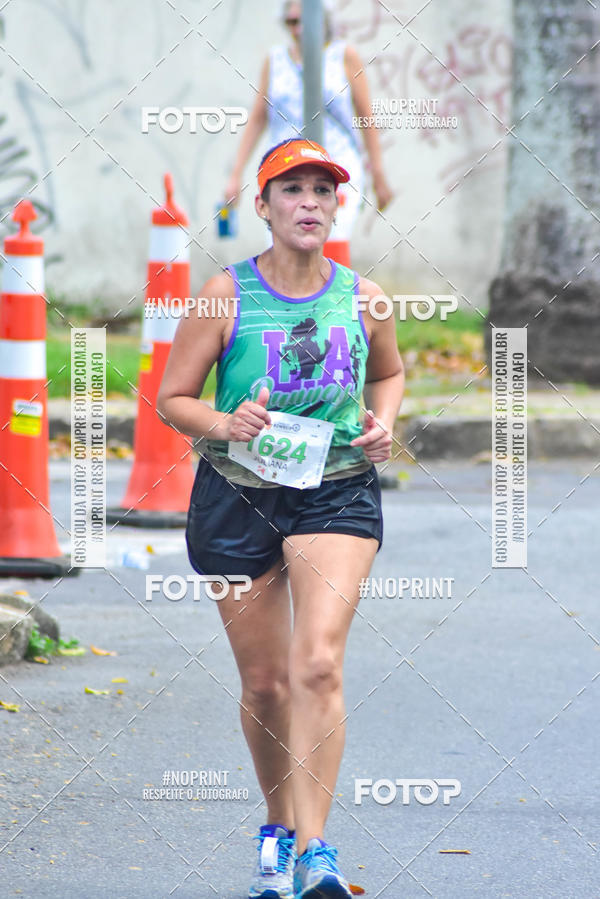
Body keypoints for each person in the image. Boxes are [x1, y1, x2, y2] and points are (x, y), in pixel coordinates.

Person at [157, 137, 404, 899]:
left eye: (322, 191)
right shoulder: (223, 294)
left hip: (334, 487)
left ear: (336, 206)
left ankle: (319, 849)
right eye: (290, 190)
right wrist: (224, 423)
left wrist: (384, 423)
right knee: (266, 683)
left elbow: (389, 372)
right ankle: (278, 828)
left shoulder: (364, 296)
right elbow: (173, 398)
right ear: (262, 207)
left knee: (318, 664)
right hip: (237, 491)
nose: (308, 203)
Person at [224, 0, 394, 252]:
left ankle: (330, 292)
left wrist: (378, 174)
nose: (298, 28)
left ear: (322, 18)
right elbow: (258, 118)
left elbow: (366, 117)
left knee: (329, 243)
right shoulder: (275, 60)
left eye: (304, 20)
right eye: (291, 21)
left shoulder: (343, 56)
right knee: (281, 247)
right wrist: (235, 174)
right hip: (284, 167)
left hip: (336, 165)